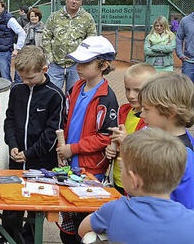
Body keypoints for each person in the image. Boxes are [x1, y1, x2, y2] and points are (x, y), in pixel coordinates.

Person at [78, 128, 194, 244]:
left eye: (122, 168)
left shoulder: (113, 210)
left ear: (133, 179)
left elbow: (82, 230)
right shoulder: (190, 220)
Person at [56, 36, 119, 243]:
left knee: (86, 225)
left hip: (91, 170)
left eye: (85, 62)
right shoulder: (75, 88)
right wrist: (63, 149)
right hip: (69, 165)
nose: (79, 67)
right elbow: (66, 121)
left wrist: (73, 148)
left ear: (103, 65)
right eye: (78, 62)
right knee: (67, 223)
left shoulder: (107, 98)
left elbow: (104, 137)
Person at [1, 45, 65, 244]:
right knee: (11, 203)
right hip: (16, 159)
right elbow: (9, 120)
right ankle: (7, 237)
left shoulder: (55, 95)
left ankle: (29, 239)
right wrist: (12, 144)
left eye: (30, 78)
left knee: (35, 207)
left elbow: (51, 134)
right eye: (21, 77)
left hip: (41, 162)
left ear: (44, 70)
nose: (25, 82)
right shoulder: (17, 90)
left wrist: (29, 154)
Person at [138, 72, 194, 209]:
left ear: (170, 112)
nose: (141, 115)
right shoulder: (161, 139)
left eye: (146, 110)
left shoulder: (184, 154)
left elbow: (187, 205)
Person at [104, 63, 156, 194]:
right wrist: (111, 148)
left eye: (137, 90)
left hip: (137, 184)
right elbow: (116, 138)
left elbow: (149, 154)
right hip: (117, 177)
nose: (131, 95)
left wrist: (126, 141)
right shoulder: (124, 110)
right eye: (127, 89)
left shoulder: (153, 120)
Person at [42, 0, 97, 93]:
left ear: (81, 2)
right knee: (51, 94)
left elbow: (91, 41)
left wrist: (83, 61)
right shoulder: (55, 16)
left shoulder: (87, 18)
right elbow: (46, 36)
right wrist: (50, 58)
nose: (74, 1)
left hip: (76, 66)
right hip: (55, 64)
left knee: (74, 95)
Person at [0, 0, 26, 81]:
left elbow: (22, 33)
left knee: (5, 78)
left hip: (4, 53)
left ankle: (9, 93)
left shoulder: (9, 19)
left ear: (3, 7)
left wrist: (17, 49)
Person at [176, 12, 194, 82]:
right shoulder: (185, 20)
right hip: (189, 61)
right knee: (187, 88)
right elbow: (179, 38)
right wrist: (180, 54)